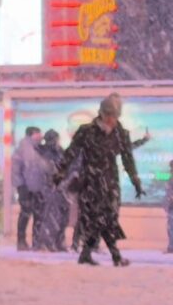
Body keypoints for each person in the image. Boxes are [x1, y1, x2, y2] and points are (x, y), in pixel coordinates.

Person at [61, 96, 144, 267]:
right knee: (97, 218)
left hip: (110, 181)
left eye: (114, 116)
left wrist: (135, 180)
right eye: (108, 115)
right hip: (91, 181)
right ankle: (114, 256)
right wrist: (61, 171)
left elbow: (128, 159)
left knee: (108, 218)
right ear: (101, 114)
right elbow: (71, 152)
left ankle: (88, 254)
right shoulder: (87, 131)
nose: (111, 119)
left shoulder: (121, 134)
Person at [33, 128, 71, 252]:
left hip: (59, 188)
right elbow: (44, 169)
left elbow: (66, 166)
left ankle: (57, 241)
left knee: (62, 217)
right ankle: (45, 242)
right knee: (47, 217)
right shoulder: (43, 152)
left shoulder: (60, 151)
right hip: (47, 188)